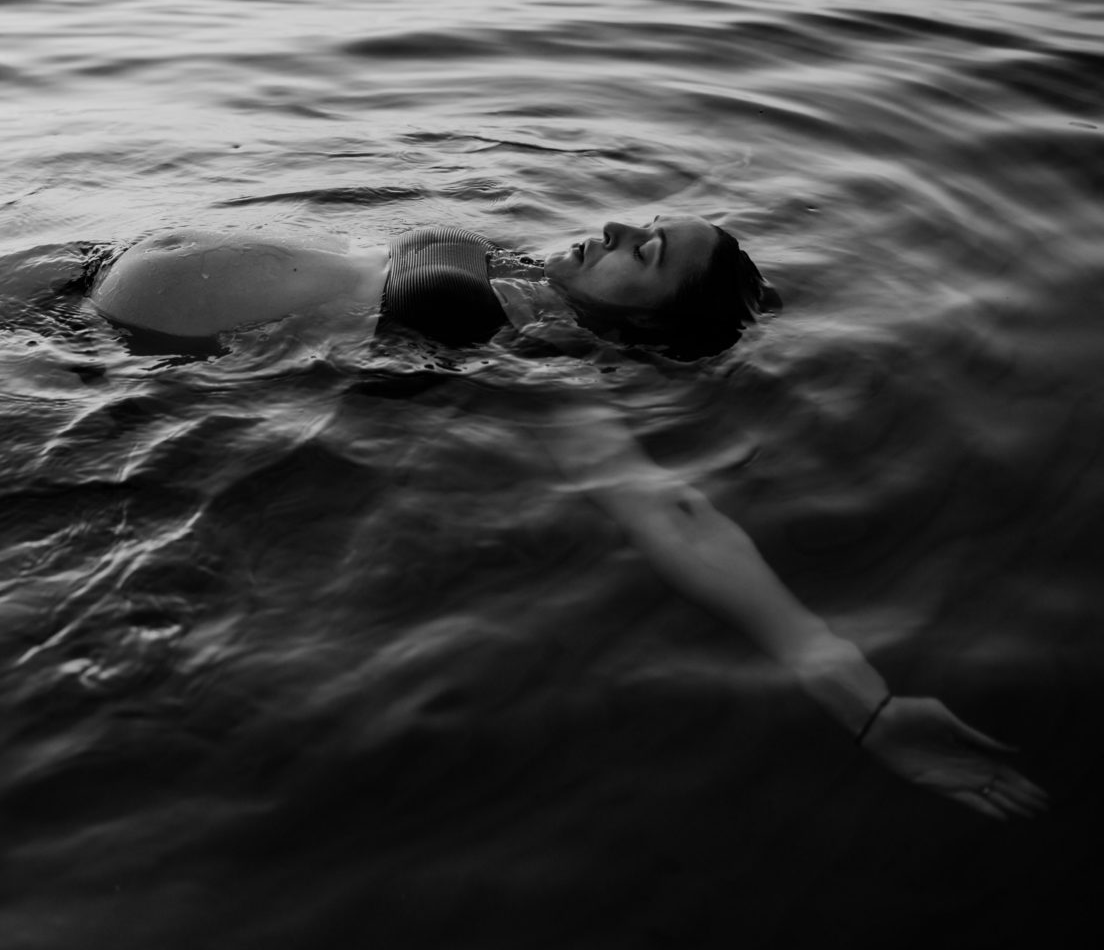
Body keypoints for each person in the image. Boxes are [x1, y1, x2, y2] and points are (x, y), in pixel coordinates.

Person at [88, 214, 1048, 820]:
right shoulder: (513, 276)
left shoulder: (536, 367)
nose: (621, 228)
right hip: (66, 297)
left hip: (118, 372)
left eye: (647, 255)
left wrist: (853, 691)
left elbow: (672, 514)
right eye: (641, 225)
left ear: (643, 323)